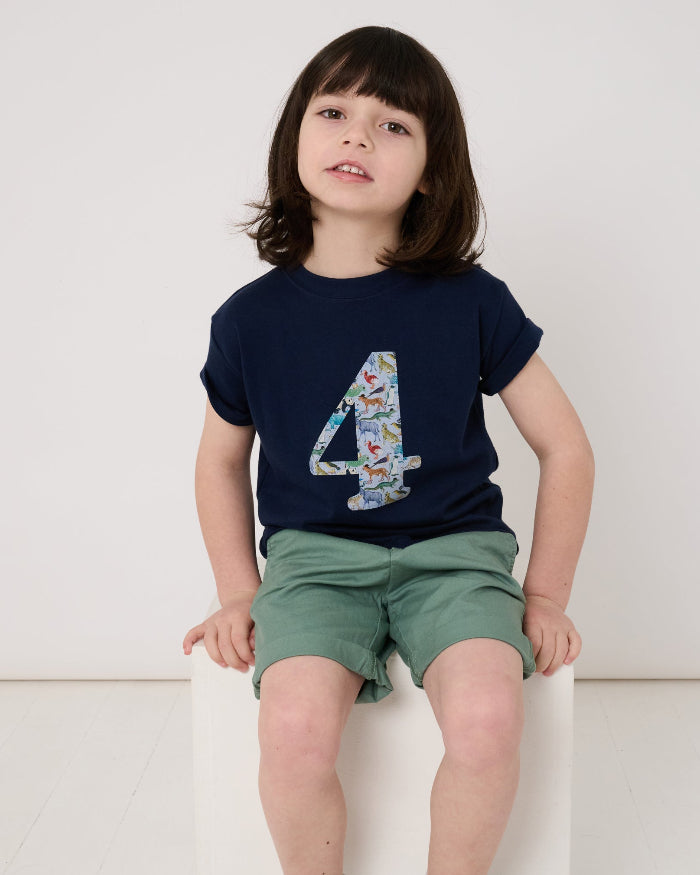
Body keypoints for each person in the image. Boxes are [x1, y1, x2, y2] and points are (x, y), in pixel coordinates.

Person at [182, 25, 593, 875]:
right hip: (314, 565)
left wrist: (546, 596)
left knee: (488, 717)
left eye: (394, 124)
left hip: (456, 559)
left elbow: (565, 446)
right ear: (296, 135)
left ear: (433, 171)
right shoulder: (250, 319)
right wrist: (238, 593)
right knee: (293, 726)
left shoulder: (472, 301)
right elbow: (220, 460)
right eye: (334, 111)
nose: (359, 135)